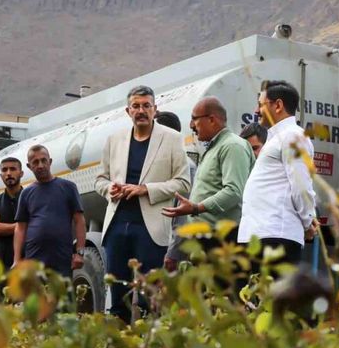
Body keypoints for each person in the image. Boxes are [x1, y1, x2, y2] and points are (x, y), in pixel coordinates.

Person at [95, 86, 190, 322]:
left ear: (155, 109)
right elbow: (100, 180)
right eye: (136, 106)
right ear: (128, 111)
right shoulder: (113, 140)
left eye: (146, 105)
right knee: (118, 297)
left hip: (151, 229)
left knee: (150, 297)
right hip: (117, 226)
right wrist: (111, 189)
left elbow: (183, 184)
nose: (141, 110)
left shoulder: (172, 139)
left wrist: (145, 189)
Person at [237, 81, 318, 268]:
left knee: (272, 295)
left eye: (261, 104)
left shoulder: (294, 136)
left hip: (276, 236)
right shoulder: (277, 139)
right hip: (261, 235)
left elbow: (301, 185)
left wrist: (307, 223)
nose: (256, 111)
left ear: (278, 105)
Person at [162, 96, 253, 247]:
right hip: (206, 238)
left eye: (194, 119)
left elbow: (234, 191)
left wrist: (197, 208)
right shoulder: (214, 148)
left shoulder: (232, 146)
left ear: (211, 119)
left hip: (222, 240)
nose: (191, 125)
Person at [13, 145, 86, 278]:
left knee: (61, 298)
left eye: (43, 160)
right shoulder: (26, 194)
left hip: (62, 260)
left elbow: (79, 221)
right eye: (35, 162)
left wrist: (80, 253)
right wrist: (17, 260)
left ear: (50, 161)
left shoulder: (68, 187)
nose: (40, 165)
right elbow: (20, 228)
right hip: (34, 260)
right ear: (29, 166)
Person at [154, 111, 197, 272]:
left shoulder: (185, 166)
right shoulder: (164, 165)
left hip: (174, 258)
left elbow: (183, 218)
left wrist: (173, 254)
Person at [0, 157, 23, 270]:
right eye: (4, 170)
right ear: (1, 175)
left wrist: (5, 228)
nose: (8, 173)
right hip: (2, 263)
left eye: (13, 169)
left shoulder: (31, 199)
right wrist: (23, 226)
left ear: (21, 173)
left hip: (27, 260)